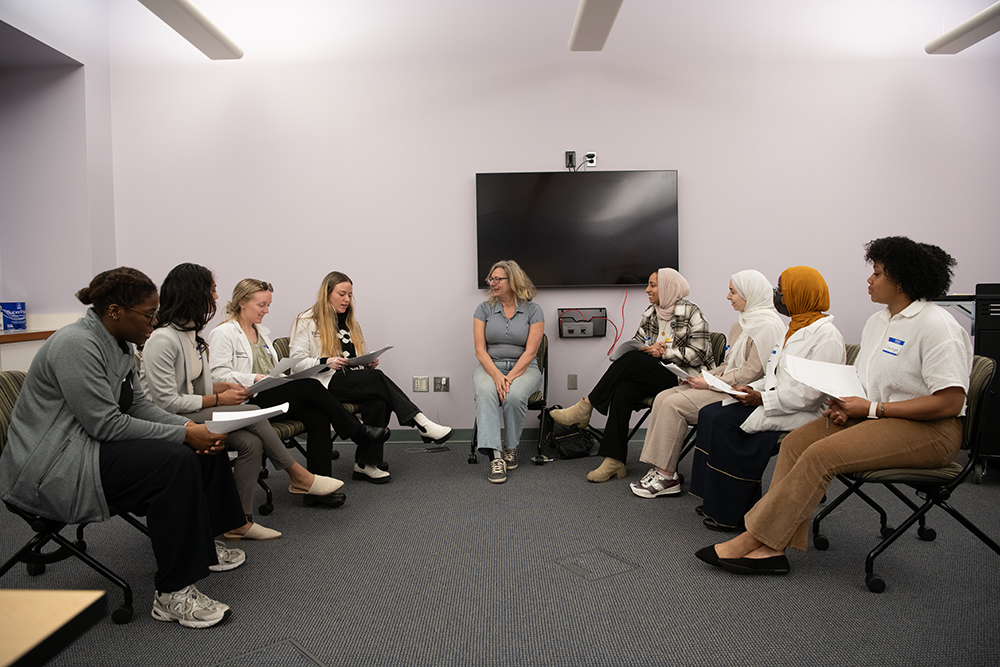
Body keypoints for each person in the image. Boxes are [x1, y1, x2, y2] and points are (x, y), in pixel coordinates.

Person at [698, 237, 972, 575]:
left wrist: (872, 410)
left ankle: (755, 539)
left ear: (901, 281)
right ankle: (771, 546)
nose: (869, 280)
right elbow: (868, 382)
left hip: (931, 432)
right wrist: (847, 404)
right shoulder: (879, 323)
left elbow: (950, 401)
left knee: (820, 454)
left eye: (877, 273)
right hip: (878, 417)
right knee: (797, 444)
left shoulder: (937, 325)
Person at [0, 267, 245, 628]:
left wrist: (191, 428)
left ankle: (204, 547)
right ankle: (172, 594)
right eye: (148, 314)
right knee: (174, 461)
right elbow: (105, 423)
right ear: (115, 311)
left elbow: (139, 406)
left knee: (204, 441)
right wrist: (183, 436)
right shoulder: (75, 345)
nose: (155, 320)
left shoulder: (121, 346)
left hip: (88, 447)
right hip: (52, 466)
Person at [141, 264, 346, 539]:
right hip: (172, 418)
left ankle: (240, 522)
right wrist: (218, 396)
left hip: (198, 407)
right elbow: (167, 402)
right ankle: (298, 475)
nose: (216, 297)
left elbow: (196, 384)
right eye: (212, 290)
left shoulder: (191, 336)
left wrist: (221, 387)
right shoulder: (163, 339)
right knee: (263, 407)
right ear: (193, 293)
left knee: (252, 443)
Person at [689, 266, 845, 532]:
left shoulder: (826, 336)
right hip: (779, 399)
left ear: (801, 294)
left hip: (804, 411)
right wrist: (749, 390)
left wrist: (762, 399)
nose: (777, 296)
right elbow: (774, 374)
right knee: (711, 413)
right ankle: (716, 499)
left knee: (726, 423)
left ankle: (734, 512)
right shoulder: (794, 329)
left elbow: (810, 395)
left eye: (782, 291)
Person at [207, 278, 390, 487]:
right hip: (247, 400)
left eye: (268, 305)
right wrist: (254, 378)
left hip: (269, 393)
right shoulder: (224, 333)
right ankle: (357, 432)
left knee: (318, 417)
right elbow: (218, 376)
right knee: (311, 385)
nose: (266, 310)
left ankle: (320, 484)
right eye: (261, 305)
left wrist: (277, 379)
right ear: (242, 302)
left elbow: (271, 371)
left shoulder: (262, 333)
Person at [630, 270, 785, 499]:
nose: (728, 297)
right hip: (723, 385)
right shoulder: (741, 324)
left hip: (740, 393)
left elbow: (750, 374)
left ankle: (666, 475)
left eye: (733, 292)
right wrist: (703, 376)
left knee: (674, 405)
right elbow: (727, 365)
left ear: (749, 293)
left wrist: (710, 383)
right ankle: (663, 470)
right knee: (663, 396)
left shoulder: (767, 327)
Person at [551, 268, 716, 483]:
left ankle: (587, 406)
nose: (647, 289)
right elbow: (638, 341)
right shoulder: (651, 312)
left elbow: (700, 353)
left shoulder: (692, 312)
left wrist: (664, 352)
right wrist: (640, 348)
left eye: (653, 285)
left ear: (668, 287)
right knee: (623, 389)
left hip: (684, 378)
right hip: (657, 376)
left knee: (630, 362)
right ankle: (614, 460)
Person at [290, 271, 453, 484]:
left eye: (350, 295)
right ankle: (421, 422)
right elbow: (296, 364)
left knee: (378, 400)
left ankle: (365, 464)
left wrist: (366, 362)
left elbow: (354, 357)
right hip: (323, 383)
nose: (347, 299)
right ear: (327, 293)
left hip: (349, 381)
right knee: (377, 379)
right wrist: (325, 361)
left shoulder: (350, 323)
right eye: (342, 294)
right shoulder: (306, 320)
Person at [473, 260, 545, 484]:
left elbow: (531, 352)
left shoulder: (533, 310)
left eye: (498, 279)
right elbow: (480, 350)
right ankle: (495, 457)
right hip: (490, 366)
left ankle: (511, 448)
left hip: (525, 368)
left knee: (513, 395)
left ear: (512, 281)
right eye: (491, 279)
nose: (492, 283)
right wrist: (496, 376)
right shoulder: (483, 309)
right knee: (486, 392)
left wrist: (509, 378)